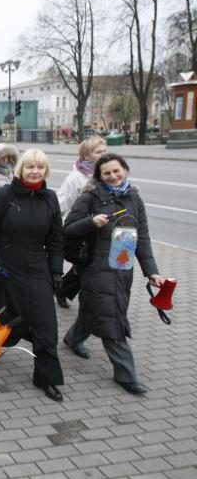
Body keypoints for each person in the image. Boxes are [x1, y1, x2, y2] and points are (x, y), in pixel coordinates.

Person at [62, 153, 162, 394]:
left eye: (116, 171)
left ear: (125, 170)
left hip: (123, 266)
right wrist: (91, 222)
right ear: (100, 176)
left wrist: (152, 273)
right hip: (97, 266)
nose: (113, 176)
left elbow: (143, 238)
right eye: (106, 173)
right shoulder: (91, 197)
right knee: (111, 318)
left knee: (97, 307)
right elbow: (67, 229)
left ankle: (73, 338)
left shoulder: (134, 198)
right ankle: (125, 375)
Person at [0, 149, 65, 402]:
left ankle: (46, 377)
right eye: (30, 167)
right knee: (2, 321)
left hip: (38, 270)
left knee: (46, 325)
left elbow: (56, 239)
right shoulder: (4, 195)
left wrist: (56, 271)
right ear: (21, 169)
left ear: (46, 171)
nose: (35, 171)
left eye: (40, 167)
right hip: (6, 270)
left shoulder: (49, 199)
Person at [54, 137, 108, 308]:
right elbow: (61, 204)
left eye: (104, 150)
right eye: (99, 152)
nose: (103, 154)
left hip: (99, 228)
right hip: (79, 229)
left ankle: (63, 289)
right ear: (87, 155)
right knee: (86, 263)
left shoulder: (106, 172)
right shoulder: (75, 178)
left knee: (88, 264)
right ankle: (64, 290)